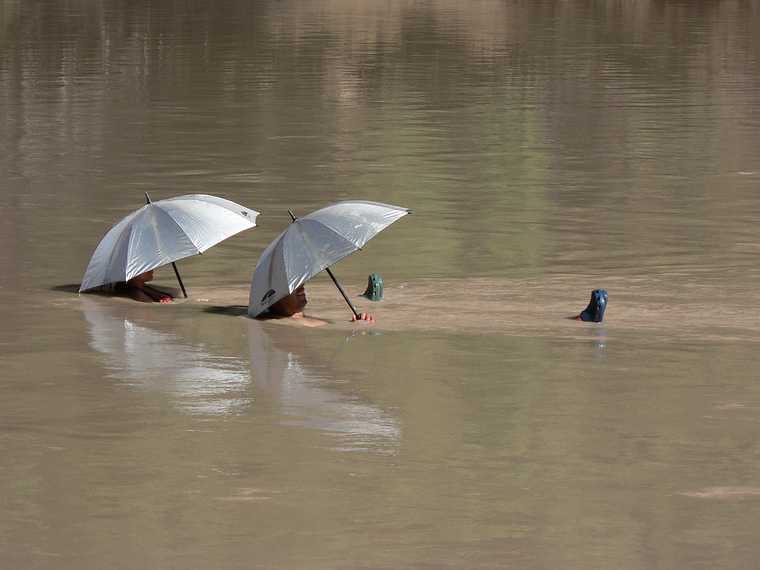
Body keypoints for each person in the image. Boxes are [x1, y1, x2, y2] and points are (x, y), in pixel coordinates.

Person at [264, 285, 374, 326]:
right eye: (292, 285)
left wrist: (353, 323)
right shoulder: (296, 323)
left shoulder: (302, 319)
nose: (302, 285)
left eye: (300, 282)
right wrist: (355, 326)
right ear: (274, 299)